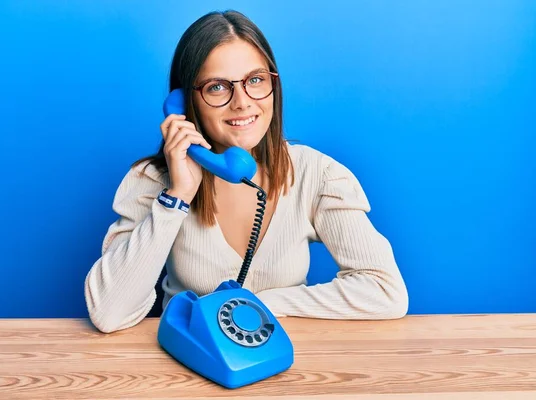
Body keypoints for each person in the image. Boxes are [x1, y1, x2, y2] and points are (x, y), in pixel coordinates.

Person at [84, 10, 408, 333]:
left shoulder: (317, 174)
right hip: (184, 366)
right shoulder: (153, 180)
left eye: (255, 80)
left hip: (283, 364)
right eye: (217, 87)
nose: (241, 102)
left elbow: (385, 291)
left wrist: (258, 305)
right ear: (184, 102)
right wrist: (178, 196)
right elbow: (109, 313)